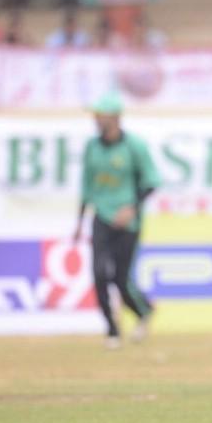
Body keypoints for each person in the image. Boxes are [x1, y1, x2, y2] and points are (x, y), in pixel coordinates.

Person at [73, 92, 160, 350]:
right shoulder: (92, 146)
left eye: (101, 115)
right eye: (96, 115)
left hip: (127, 222)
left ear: (115, 117)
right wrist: (79, 221)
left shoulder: (135, 146)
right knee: (99, 273)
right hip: (101, 216)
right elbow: (87, 186)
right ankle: (112, 330)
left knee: (121, 279)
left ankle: (144, 310)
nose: (97, 120)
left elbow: (151, 182)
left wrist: (132, 208)